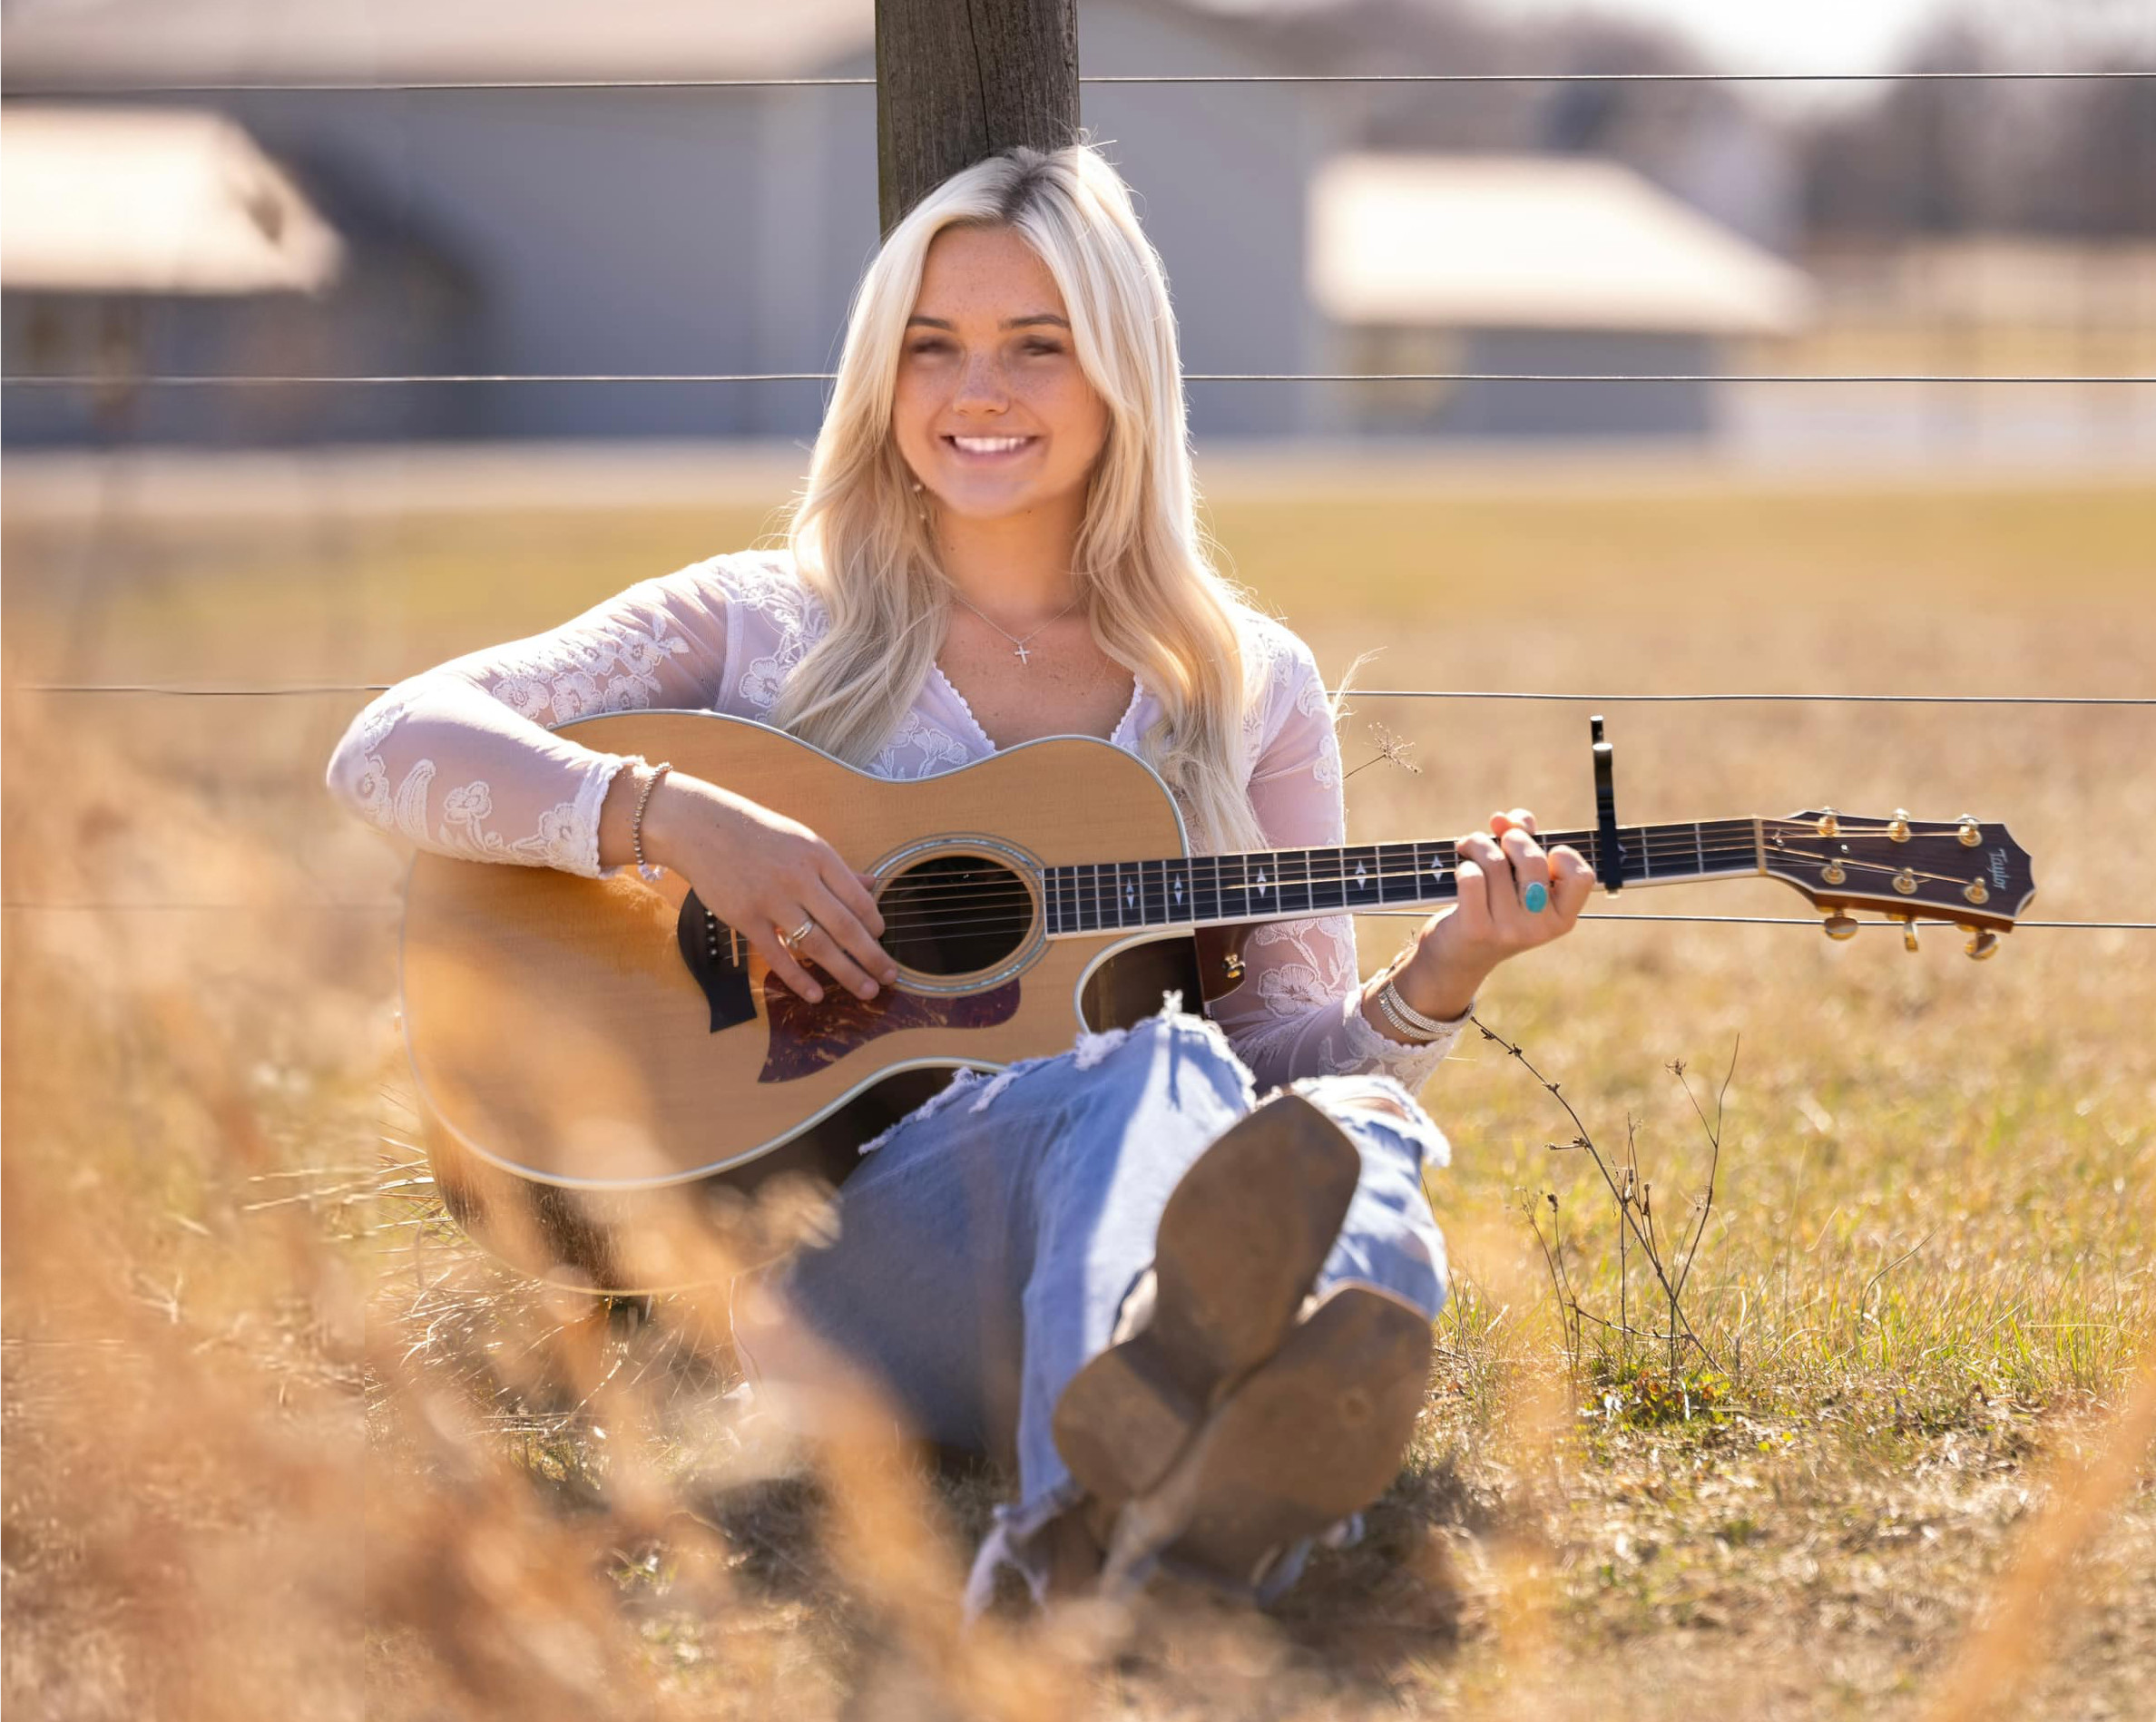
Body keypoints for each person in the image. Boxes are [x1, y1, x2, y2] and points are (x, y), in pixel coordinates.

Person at [325, 138, 1592, 1616]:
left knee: (1351, 1124)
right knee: (1153, 1074)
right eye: (933, 347)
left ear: (1124, 373)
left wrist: (1446, 976)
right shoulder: (755, 627)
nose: (975, 390)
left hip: (1122, 1186)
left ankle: (1175, 1453)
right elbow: (390, 742)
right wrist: (673, 819)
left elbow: (1267, 1082)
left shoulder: (1245, 689)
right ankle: (1150, 1483)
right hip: (838, 1265)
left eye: (1035, 348)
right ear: (883, 374)